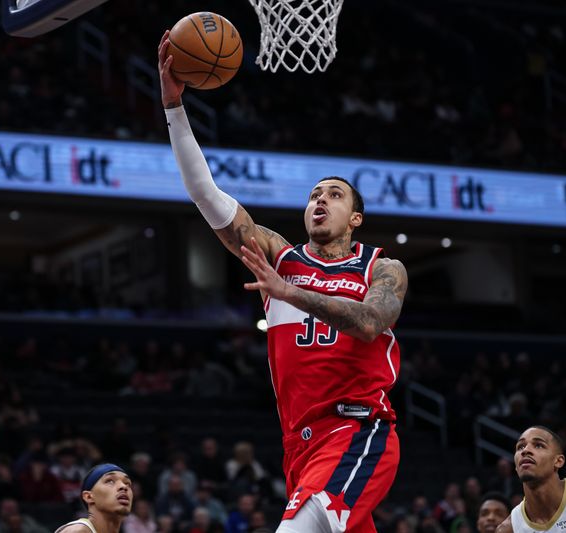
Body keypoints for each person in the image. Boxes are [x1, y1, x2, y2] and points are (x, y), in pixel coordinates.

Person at [158, 29, 407, 533]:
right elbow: (205, 193)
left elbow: (371, 321)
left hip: (357, 429)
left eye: (334, 195)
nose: (320, 200)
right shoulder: (280, 255)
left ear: (355, 218)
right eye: (314, 193)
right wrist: (173, 107)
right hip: (299, 445)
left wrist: (290, 293)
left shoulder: (380, 267)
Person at [55, 464, 133, 533]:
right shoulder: (78, 531)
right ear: (88, 497)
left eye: (127, 483)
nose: (123, 486)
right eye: (110, 481)